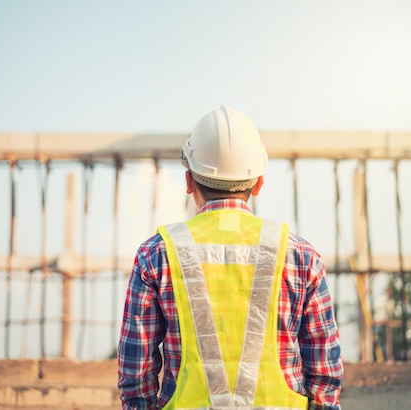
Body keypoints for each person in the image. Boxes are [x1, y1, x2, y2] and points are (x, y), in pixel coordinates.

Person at [117, 105, 343, 409]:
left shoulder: (155, 255)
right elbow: (325, 379)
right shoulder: (303, 258)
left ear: (188, 182)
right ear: (259, 183)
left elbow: (136, 376)